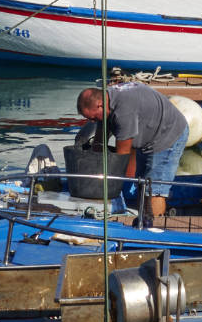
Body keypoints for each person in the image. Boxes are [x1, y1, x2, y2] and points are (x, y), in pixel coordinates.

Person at [77, 82, 187, 224]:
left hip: (167, 135)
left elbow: (122, 156)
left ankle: (152, 228)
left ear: (100, 105)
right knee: (141, 182)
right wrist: (96, 151)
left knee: (154, 189)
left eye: (93, 117)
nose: (92, 121)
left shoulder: (124, 111)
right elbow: (102, 128)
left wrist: (106, 183)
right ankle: (143, 217)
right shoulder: (109, 99)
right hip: (149, 135)